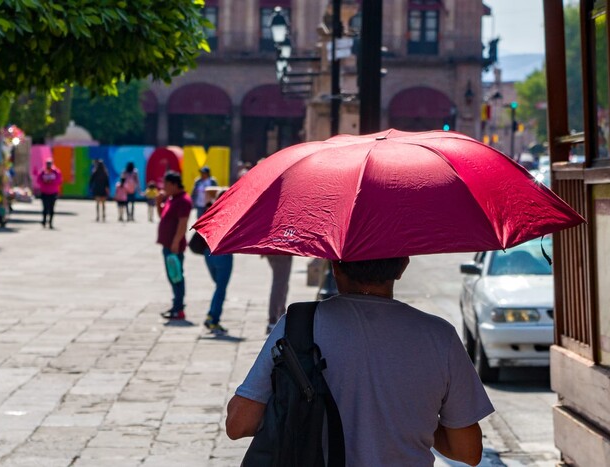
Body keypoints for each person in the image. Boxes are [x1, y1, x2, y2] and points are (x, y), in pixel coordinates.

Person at [226, 257, 494, 466]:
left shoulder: (298, 326)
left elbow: (239, 424)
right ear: (403, 265)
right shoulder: (439, 336)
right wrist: (414, 414)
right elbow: (468, 451)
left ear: (335, 267)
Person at [156, 171, 192, 321]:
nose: (164, 187)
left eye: (166, 184)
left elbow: (183, 223)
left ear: (174, 184)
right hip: (167, 245)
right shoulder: (171, 199)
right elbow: (162, 216)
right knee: (172, 276)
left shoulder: (183, 200)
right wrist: (159, 203)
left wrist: (176, 241)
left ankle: (179, 308)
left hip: (174, 246)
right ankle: (176, 305)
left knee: (177, 276)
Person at [202, 186, 232, 335]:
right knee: (221, 288)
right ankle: (213, 318)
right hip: (223, 255)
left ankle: (212, 315)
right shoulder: (230, 214)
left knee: (218, 287)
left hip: (208, 254)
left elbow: (208, 191)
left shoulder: (210, 211)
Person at [264, 254, 293, 333]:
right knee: (280, 284)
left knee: (283, 284)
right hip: (280, 250)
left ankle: (280, 315)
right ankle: (273, 320)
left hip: (278, 249)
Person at [36, 159, 62, 229]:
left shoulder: (56, 172)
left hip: (53, 192)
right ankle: (44, 221)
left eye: (50, 163)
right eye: (47, 163)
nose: (48, 165)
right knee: (45, 208)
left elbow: (59, 181)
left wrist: (51, 181)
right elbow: (38, 180)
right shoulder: (43, 172)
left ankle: (50, 222)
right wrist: (44, 181)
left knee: (51, 208)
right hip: (44, 192)